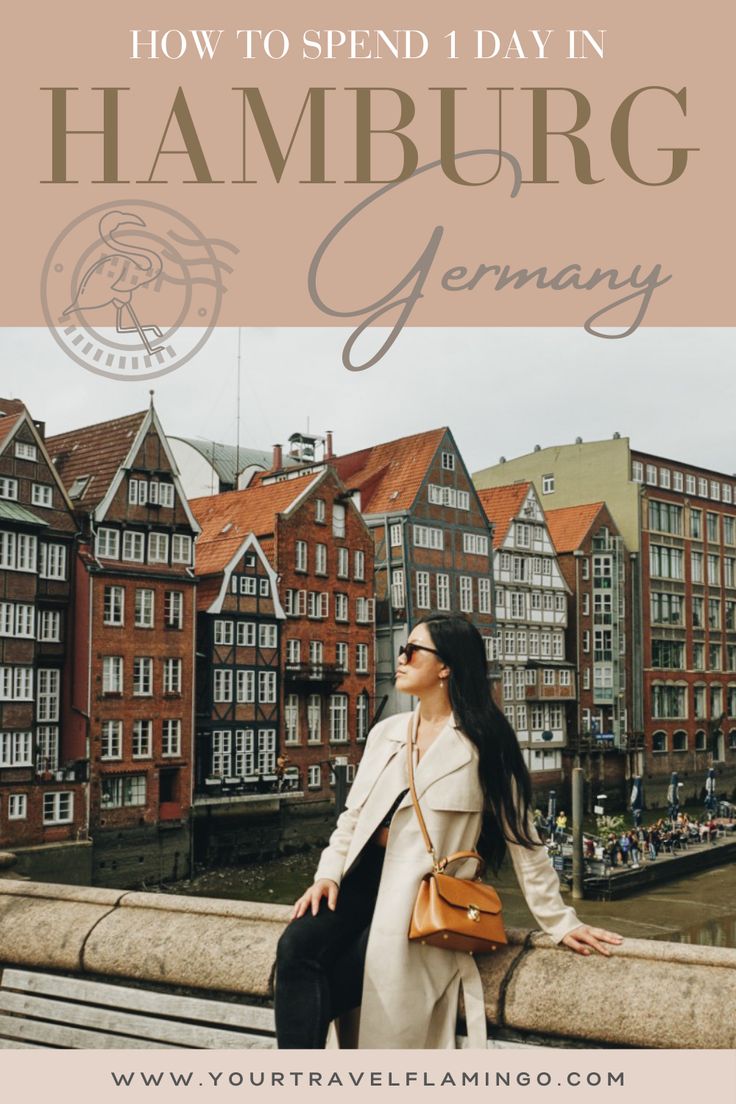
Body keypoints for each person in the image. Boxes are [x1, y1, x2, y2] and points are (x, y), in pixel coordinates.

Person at [274, 613, 622, 1050]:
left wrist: (559, 921)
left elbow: (523, 839)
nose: (400, 658)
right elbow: (352, 817)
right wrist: (326, 874)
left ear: (446, 666)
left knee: (353, 986)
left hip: (419, 895)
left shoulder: (485, 741)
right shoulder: (387, 734)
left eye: (412, 651)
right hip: (359, 879)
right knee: (294, 949)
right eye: (404, 649)